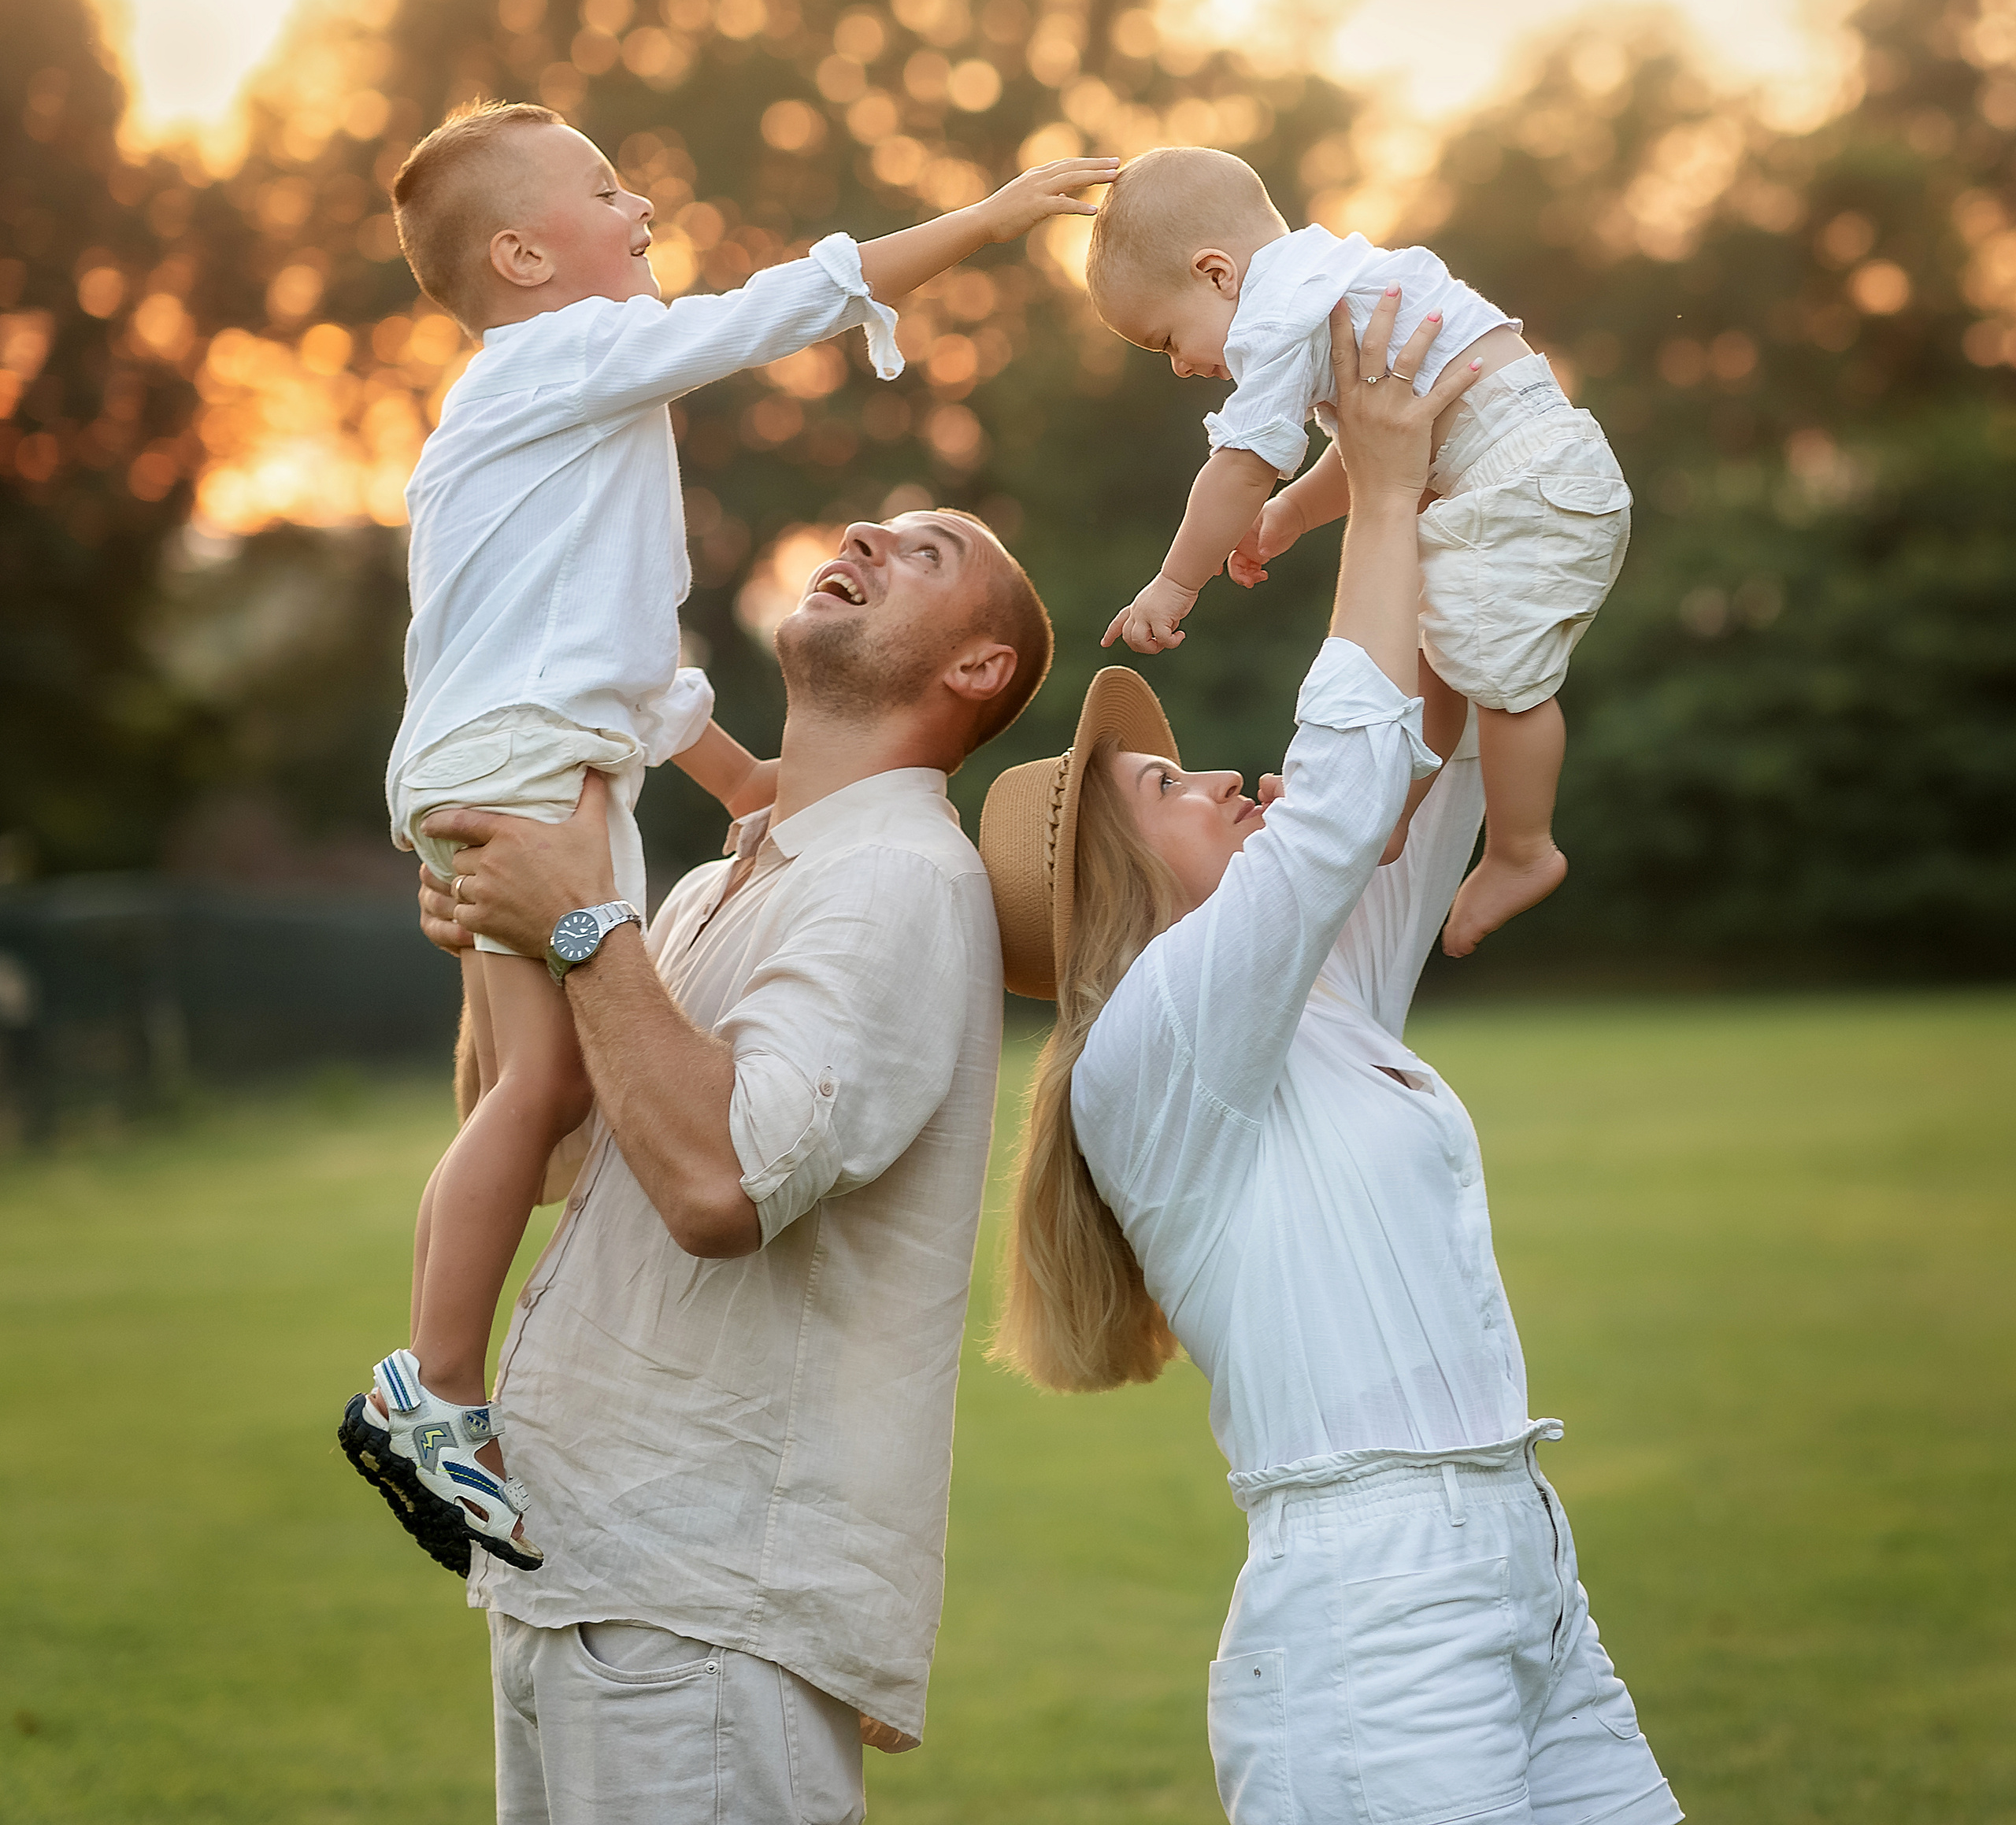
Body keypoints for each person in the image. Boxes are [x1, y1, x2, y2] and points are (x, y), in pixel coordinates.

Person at [345, 93, 1114, 1573]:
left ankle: (440, 1383)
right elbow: (787, 305)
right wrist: (990, 219)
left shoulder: (535, 422)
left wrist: (735, 774)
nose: (640, 208)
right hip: (522, 753)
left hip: (497, 744)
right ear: (522, 258)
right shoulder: (569, 355)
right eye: (605, 190)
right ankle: (433, 1386)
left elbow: (631, 669)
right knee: (536, 1086)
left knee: (533, 1088)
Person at [977, 291, 1681, 1825]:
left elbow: (1431, 729)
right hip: (1372, 1617)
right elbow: (1349, 782)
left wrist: (1420, 463)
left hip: (1517, 1564)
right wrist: (1370, 486)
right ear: (1113, 882)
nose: (1222, 776)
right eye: (1168, 785)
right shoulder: (1149, 1041)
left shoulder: (1313, 996)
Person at [410, 505, 1051, 1823]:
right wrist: (501, 934)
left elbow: (721, 1186)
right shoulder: (711, 888)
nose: (868, 532)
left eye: (925, 551)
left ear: (976, 667)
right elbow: (555, 1151)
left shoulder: (903, 877)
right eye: (878, 528)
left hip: (707, 1608)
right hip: (576, 1574)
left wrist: (581, 927)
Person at [1087, 144, 1632, 957]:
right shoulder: (1327, 286)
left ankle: (1523, 850)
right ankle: (1391, 811)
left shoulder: (1276, 318)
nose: (1178, 366)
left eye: (1166, 337)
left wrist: (1174, 583)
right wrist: (1291, 514)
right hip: (1519, 483)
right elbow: (1372, 444)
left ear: (1215, 273)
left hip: (1525, 487)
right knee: (1431, 656)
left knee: (1503, 679)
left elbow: (1238, 467)